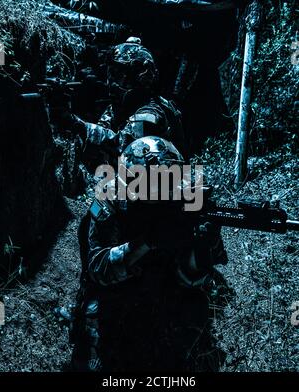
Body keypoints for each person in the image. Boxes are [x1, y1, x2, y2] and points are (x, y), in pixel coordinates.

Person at [70, 136, 228, 371]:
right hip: (114, 296)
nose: (159, 190)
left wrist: (203, 243)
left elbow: (194, 277)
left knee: (194, 313)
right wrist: (148, 242)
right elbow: (98, 269)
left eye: (167, 180)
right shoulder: (110, 199)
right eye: (151, 182)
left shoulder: (183, 200)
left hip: (162, 290)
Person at [49, 37, 185, 170]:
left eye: (119, 75)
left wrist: (74, 122)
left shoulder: (150, 112)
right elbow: (98, 143)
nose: (112, 83)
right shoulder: (120, 106)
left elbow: (122, 145)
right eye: (111, 74)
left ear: (140, 78)